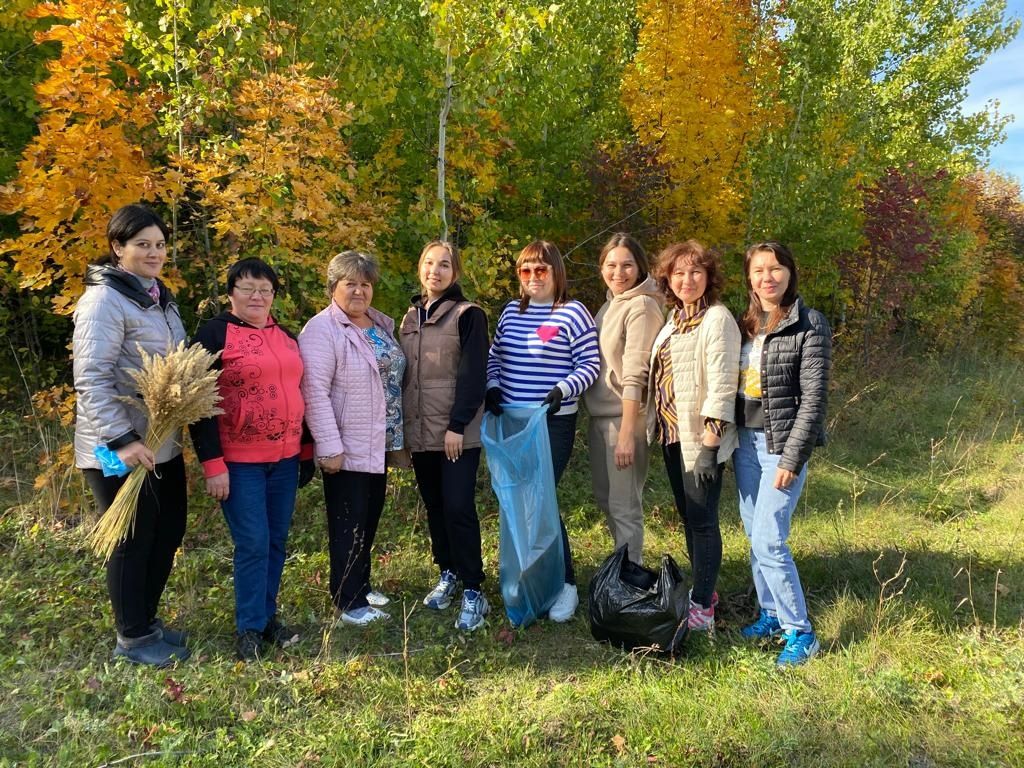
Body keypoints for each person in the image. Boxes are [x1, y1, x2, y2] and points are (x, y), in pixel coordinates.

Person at [73, 204, 189, 667]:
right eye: (143, 244)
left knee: (168, 531)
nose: (154, 252)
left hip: (162, 443)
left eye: (160, 245)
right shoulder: (103, 301)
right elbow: (92, 378)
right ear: (118, 248)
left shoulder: (159, 297)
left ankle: (147, 620)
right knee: (132, 538)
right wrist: (123, 439)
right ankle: (133, 637)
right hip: (118, 446)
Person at [189, 258, 312, 661]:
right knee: (253, 542)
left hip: (286, 458)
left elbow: (301, 392)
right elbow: (197, 404)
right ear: (231, 293)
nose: (257, 296)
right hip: (240, 462)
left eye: (265, 289)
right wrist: (212, 464)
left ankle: (266, 617)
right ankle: (249, 629)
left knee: (276, 541)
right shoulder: (213, 334)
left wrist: (306, 451)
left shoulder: (286, 336)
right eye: (248, 288)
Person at [485, 239, 600, 622]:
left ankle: (564, 584)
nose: (533, 277)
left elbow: (589, 364)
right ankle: (529, 578)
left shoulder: (572, 313)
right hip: (512, 421)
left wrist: (561, 391)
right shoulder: (509, 313)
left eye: (541, 270)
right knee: (517, 499)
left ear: (555, 273)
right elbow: (494, 358)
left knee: (541, 499)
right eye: (525, 271)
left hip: (551, 421)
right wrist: (492, 388)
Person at [733, 241, 831, 666]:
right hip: (745, 445)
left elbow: (813, 400)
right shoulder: (746, 325)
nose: (766, 277)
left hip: (781, 445)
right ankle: (770, 613)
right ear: (749, 278)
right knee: (755, 534)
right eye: (758, 271)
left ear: (790, 273)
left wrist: (793, 458)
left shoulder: (809, 324)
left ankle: (800, 631)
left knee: (771, 538)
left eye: (775, 269)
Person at [299, 251, 406, 627]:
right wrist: (329, 446)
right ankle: (348, 600)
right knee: (348, 522)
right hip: (345, 446)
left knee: (368, 518)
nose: (359, 291)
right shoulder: (322, 330)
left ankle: (360, 585)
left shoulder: (378, 326)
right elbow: (314, 391)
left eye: (365, 283)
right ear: (333, 288)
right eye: (350, 284)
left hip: (378, 441)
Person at [648, 240, 740, 632]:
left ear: (709, 277)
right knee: (688, 517)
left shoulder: (716, 319)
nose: (687, 280)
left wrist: (710, 445)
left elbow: (722, 384)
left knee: (703, 521)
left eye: (696, 272)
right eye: (679, 273)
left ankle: (702, 607)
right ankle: (706, 590)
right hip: (673, 434)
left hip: (701, 439)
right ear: (669, 278)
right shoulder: (673, 320)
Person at [399, 241, 490, 631]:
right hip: (421, 433)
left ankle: (474, 588)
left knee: (458, 507)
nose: (436, 271)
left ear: (456, 273)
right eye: (429, 263)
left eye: (445, 265)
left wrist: (458, 425)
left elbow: (473, 374)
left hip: (455, 434)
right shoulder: (410, 317)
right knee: (435, 507)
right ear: (420, 268)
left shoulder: (469, 315)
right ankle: (447, 572)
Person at [583, 233, 663, 564]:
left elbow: (635, 373)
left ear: (640, 267)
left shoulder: (642, 305)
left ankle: (631, 586)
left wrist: (628, 433)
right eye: (611, 265)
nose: (619, 272)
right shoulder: (609, 305)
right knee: (607, 499)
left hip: (623, 419)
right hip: (601, 418)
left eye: (627, 265)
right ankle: (622, 569)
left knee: (624, 506)